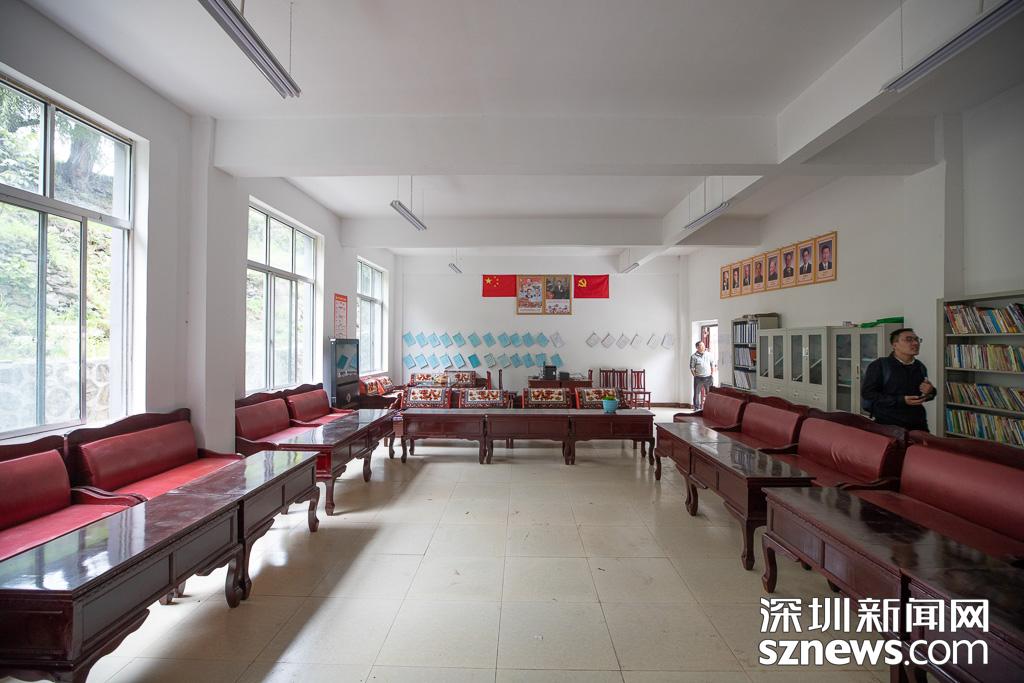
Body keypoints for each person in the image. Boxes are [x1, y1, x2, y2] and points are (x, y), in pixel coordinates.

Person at [861, 328, 936, 431]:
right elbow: (868, 393)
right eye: (909, 339)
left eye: (917, 339)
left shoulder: (920, 366)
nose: (915, 343)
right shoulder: (880, 365)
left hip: (918, 423)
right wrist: (901, 400)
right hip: (888, 423)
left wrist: (930, 391)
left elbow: (925, 394)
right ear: (895, 345)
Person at [690, 341, 715, 410]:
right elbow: (692, 367)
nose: (703, 346)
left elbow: (712, 364)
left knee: (709, 394)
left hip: (708, 378)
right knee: (696, 393)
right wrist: (695, 375)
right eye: (701, 345)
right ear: (697, 347)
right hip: (698, 378)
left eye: (703, 345)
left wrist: (712, 373)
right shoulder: (693, 356)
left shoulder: (709, 354)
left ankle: (709, 408)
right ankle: (696, 408)